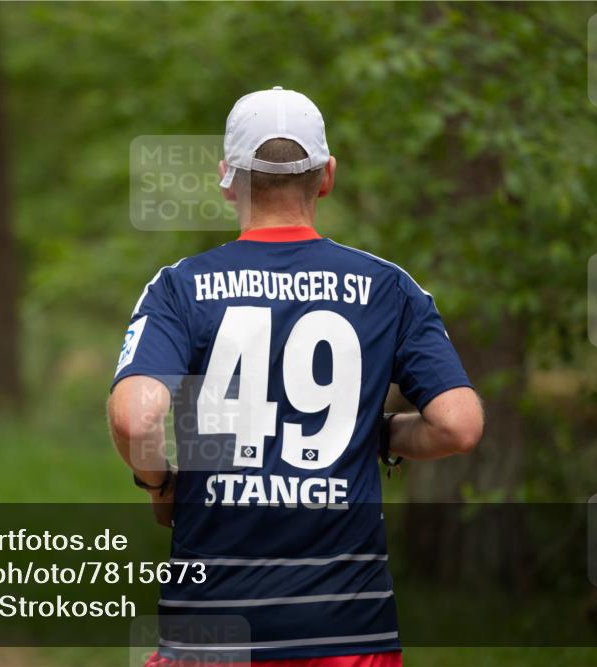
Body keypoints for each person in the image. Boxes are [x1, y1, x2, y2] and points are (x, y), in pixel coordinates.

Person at [108, 87, 484, 667]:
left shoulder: (180, 287)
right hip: (349, 634)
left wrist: (159, 485)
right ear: (327, 176)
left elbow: (136, 417)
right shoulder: (389, 288)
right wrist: (378, 434)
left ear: (226, 177)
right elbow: (458, 426)